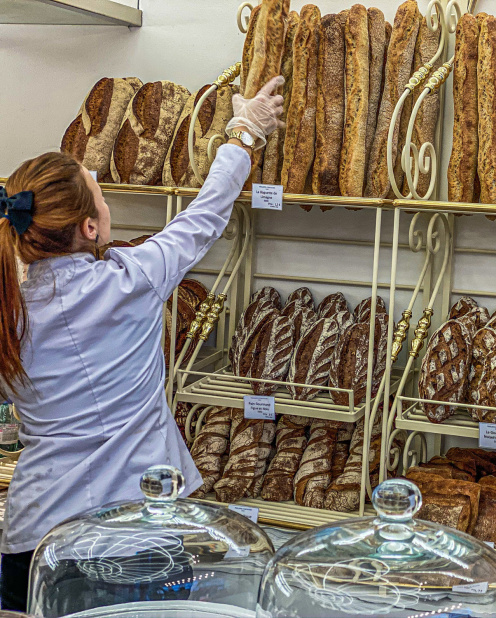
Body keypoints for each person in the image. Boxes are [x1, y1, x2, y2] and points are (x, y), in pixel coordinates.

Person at [0, 76, 285, 611]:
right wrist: (246, 130)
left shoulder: (7, 309)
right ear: (90, 227)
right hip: (133, 538)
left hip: (33, 538)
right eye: (102, 197)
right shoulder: (131, 279)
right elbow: (204, 215)